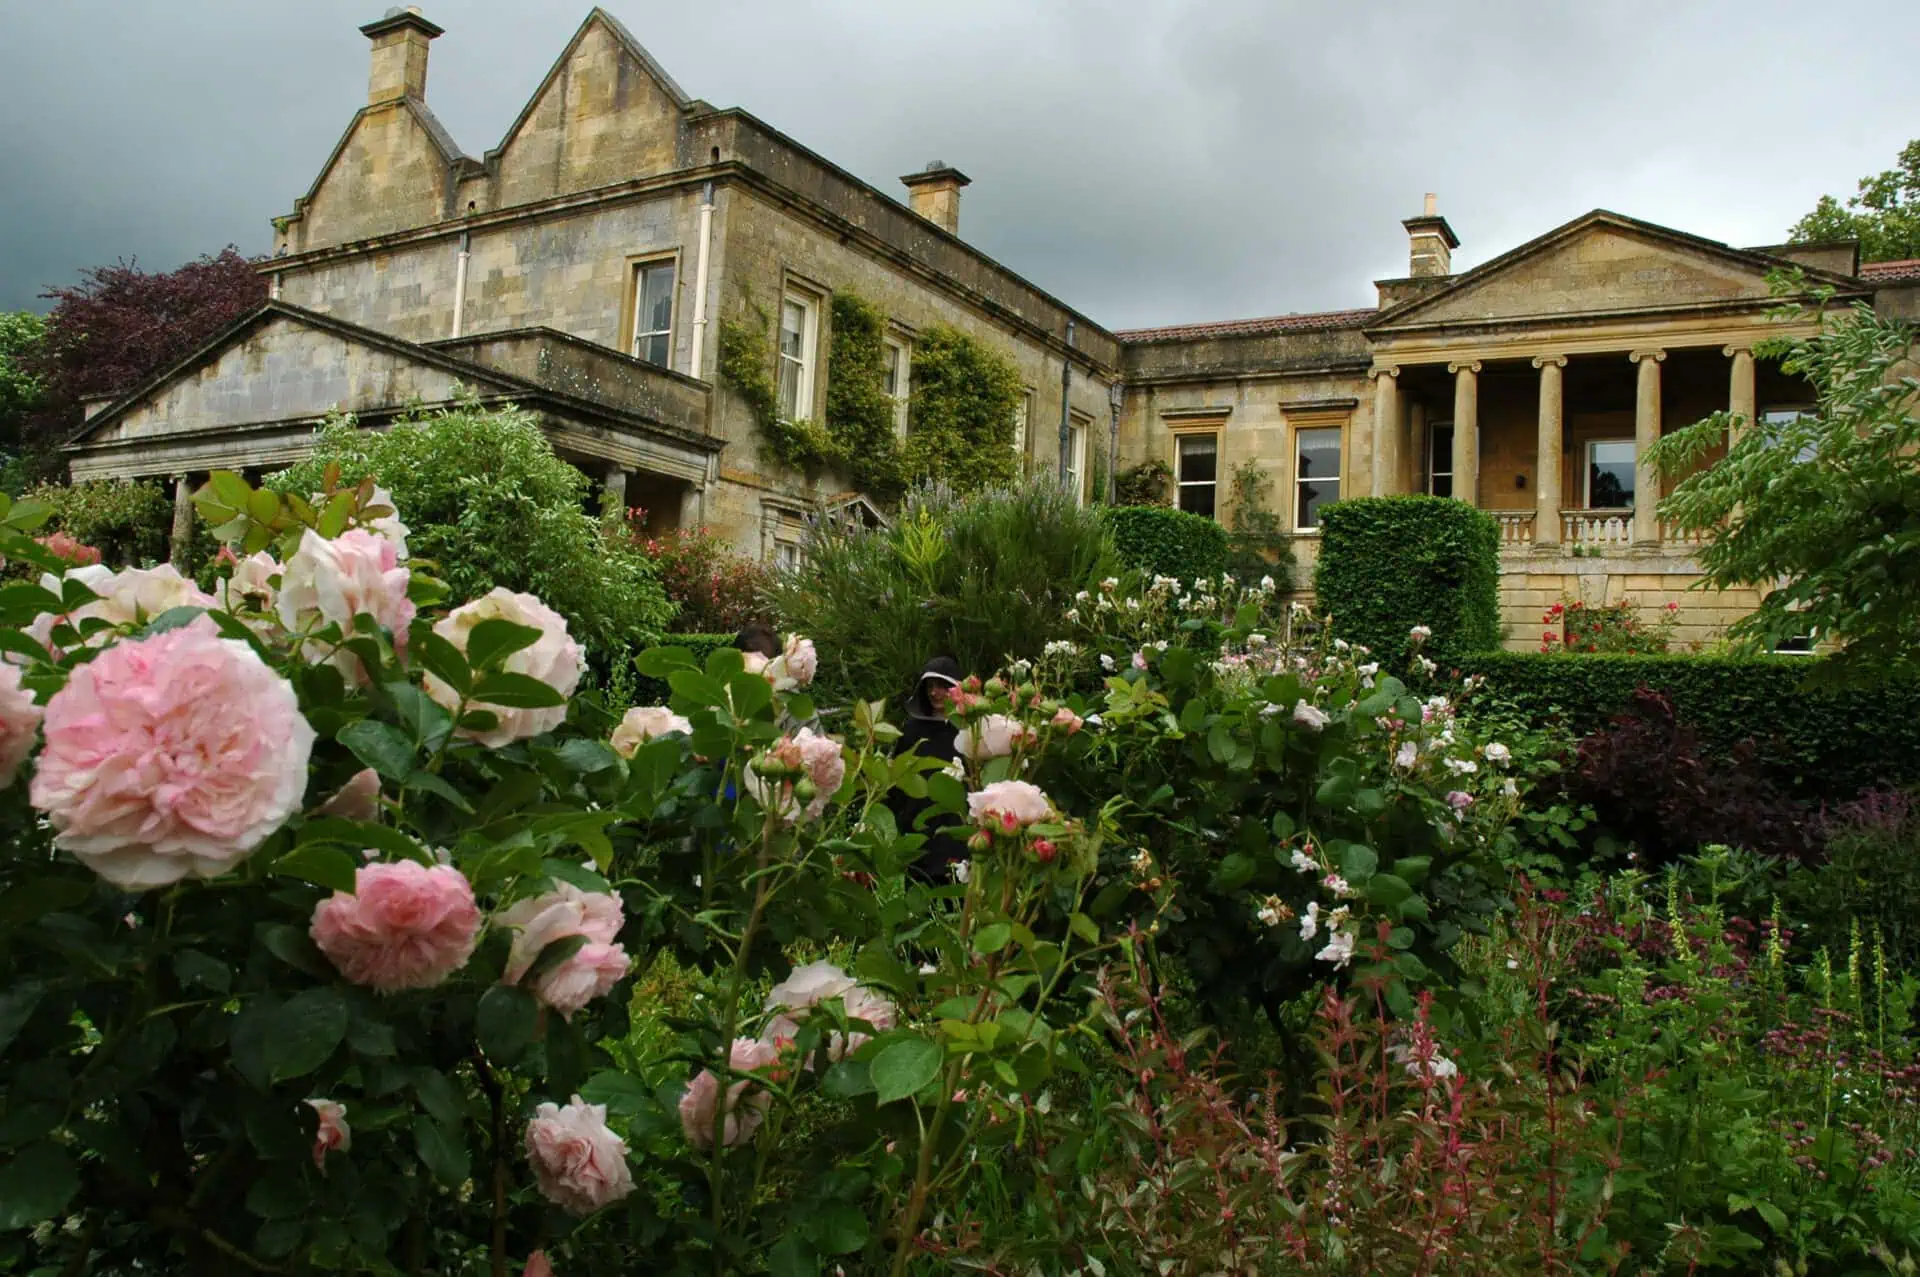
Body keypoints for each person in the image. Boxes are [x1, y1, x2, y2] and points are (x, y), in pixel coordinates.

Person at [888, 656, 967, 881]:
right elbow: (899, 776)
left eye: (942, 686)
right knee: (919, 891)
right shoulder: (912, 729)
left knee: (956, 889)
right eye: (931, 686)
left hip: (954, 823)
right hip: (918, 821)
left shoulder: (968, 730)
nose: (935, 693)